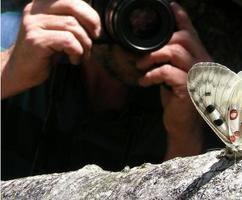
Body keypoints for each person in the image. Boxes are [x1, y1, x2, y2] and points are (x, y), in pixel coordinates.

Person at [1, 0, 213, 180]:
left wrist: (187, 135)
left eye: (150, 7)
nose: (138, 22)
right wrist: (8, 71)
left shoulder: (190, 98)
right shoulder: (18, 38)